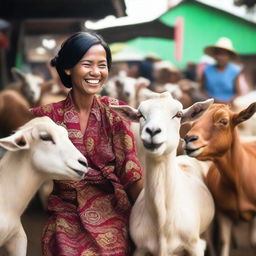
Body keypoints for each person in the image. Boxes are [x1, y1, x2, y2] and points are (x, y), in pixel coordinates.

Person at [31, 31, 143, 256]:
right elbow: (25, 167)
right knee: (59, 244)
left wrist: (149, 212)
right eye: (87, 64)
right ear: (68, 68)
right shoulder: (47, 117)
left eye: (102, 65)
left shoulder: (115, 111)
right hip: (65, 208)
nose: (96, 72)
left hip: (112, 206)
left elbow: (130, 171)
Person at [200, 37, 249, 103]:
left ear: (229, 56)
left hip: (229, 105)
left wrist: (229, 102)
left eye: (224, 54)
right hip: (210, 103)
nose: (220, 57)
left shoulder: (235, 71)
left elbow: (238, 93)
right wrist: (211, 99)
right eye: (218, 54)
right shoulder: (207, 70)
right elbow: (201, 89)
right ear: (215, 55)